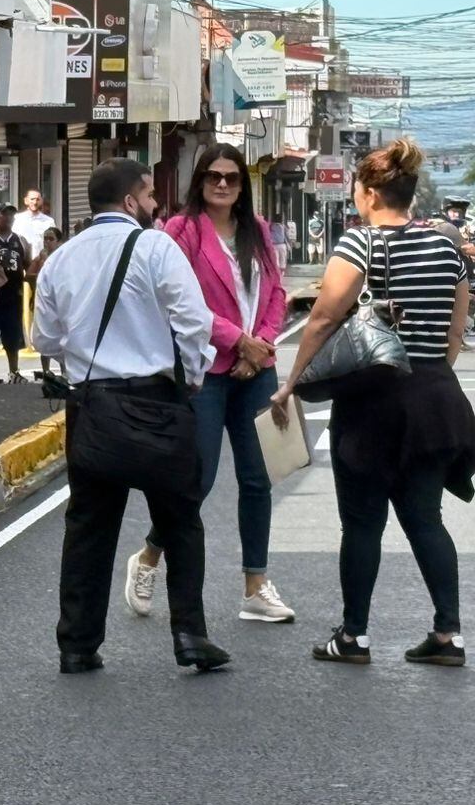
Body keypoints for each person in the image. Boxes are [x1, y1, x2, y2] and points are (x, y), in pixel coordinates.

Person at [272, 140, 475, 667]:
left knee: (362, 523)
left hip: (373, 407)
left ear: (366, 194)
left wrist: (290, 384)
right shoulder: (448, 248)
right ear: (409, 193)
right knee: (427, 519)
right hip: (436, 399)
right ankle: (448, 635)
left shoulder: (359, 244)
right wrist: (427, 375)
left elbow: (320, 320)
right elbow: (456, 334)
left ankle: (354, 636)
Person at [33, 158, 229, 674]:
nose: (155, 204)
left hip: (92, 407)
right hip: (156, 402)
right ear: (129, 202)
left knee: (88, 528)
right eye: (148, 195)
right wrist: (191, 375)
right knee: (180, 522)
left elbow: (44, 340)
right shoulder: (156, 246)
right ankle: (189, 635)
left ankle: (76, 646)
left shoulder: (61, 258)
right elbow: (194, 321)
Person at [122, 145, 295, 627]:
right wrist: (238, 341)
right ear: (199, 181)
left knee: (259, 479)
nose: (222, 185)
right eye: (213, 176)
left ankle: (256, 584)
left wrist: (260, 343)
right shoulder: (179, 232)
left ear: (243, 184)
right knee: (197, 479)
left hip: (255, 370)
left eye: (232, 178)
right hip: (206, 372)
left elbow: (277, 293)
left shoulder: (257, 231)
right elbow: (181, 303)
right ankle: (151, 556)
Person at [0, 205, 32, 383]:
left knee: (12, 335)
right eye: (4, 215)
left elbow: (28, 264)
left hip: (14, 294)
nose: (8, 218)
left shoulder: (20, 240)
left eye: (11, 215)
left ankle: (14, 371)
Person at [28, 226, 64, 379]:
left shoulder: (63, 255)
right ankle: (45, 370)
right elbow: (29, 274)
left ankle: (65, 371)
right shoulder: (40, 256)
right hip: (43, 298)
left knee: (62, 335)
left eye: (51, 239)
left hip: (60, 299)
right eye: (45, 238)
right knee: (44, 333)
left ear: (58, 241)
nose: (47, 242)